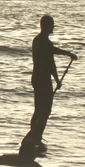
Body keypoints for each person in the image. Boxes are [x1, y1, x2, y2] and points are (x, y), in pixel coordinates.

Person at [19, 15, 77, 158]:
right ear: (45, 26)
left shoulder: (37, 40)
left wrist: (66, 54)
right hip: (43, 80)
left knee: (39, 109)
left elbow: (51, 56)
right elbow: (51, 64)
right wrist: (57, 79)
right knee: (46, 109)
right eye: (52, 25)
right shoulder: (45, 43)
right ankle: (34, 136)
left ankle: (35, 136)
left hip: (36, 78)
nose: (53, 27)